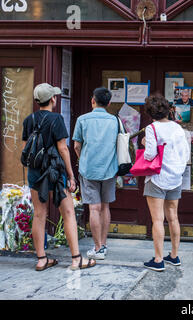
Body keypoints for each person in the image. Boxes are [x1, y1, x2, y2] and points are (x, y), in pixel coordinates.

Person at [22, 83, 96, 271]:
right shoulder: (56, 119)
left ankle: (41, 259)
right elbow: (63, 148)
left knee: (39, 214)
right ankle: (76, 259)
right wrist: (71, 175)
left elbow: (26, 150)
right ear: (53, 99)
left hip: (35, 173)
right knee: (68, 212)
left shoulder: (29, 120)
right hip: (54, 172)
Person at [142, 94, 190, 272]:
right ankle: (174, 256)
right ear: (167, 110)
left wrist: (145, 142)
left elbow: (149, 155)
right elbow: (185, 154)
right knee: (173, 218)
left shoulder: (152, 128)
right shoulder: (178, 128)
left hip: (157, 178)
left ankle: (158, 259)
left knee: (157, 220)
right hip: (175, 178)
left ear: (150, 112)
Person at [73, 87, 118, 260]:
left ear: (93, 100)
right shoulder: (115, 121)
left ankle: (97, 247)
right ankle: (104, 245)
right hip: (109, 169)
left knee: (93, 207)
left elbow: (77, 145)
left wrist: (82, 158)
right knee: (105, 206)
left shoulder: (82, 119)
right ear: (109, 103)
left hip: (88, 169)